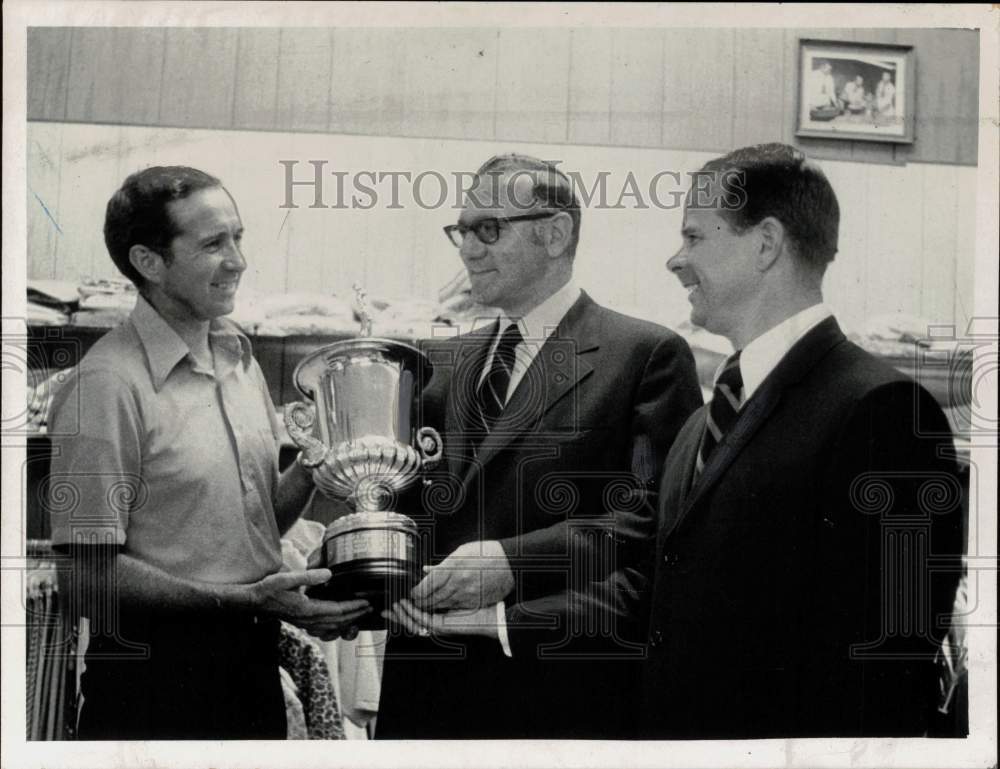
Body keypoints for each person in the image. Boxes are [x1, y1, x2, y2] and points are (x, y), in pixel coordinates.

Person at [639, 143, 964, 738]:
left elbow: (884, 668)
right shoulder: (699, 424)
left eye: (694, 238)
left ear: (765, 244)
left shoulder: (880, 411)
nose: (675, 261)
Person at [375, 154, 703, 738]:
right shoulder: (440, 363)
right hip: (425, 695)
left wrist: (512, 563)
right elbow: (406, 506)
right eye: (462, 231)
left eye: (488, 229)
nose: (468, 250)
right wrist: (382, 571)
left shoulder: (644, 355)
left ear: (556, 234)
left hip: (555, 696)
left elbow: (652, 518)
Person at [48, 166, 371, 740]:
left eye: (238, 237)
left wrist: (316, 464)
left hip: (251, 668)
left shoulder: (239, 360)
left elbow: (257, 520)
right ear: (149, 262)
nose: (238, 260)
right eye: (213, 244)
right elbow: (84, 577)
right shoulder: (105, 384)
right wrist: (244, 598)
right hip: (151, 684)